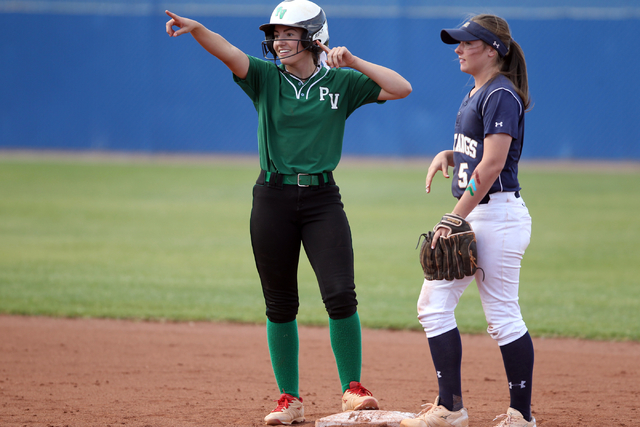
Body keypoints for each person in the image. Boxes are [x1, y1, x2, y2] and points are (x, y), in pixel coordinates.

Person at [165, 1, 412, 425]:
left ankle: (353, 389)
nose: (278, 40)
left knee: (339, 294)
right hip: (272, 198)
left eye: (288, 33)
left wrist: (352, 60)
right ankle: (290, 399)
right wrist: (198, 28)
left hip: (322, 200)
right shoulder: (264, 78)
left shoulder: (342, 82)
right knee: (280, 303)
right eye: (275, 34)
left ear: (314, 38)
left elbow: (401, 87)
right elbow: (227, 51)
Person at [400, 14, 535, 427]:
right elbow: (477, 153)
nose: (458, 49)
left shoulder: (501, 94)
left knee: (502, 317)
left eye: (467, 42)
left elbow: (493, 164)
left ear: (493, 50)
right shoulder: (476, 91)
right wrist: (451, 155)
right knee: (433, 306)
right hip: (477, 214)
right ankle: (451, 407)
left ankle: (521, 415)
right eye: (457, 43)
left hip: (496, 216)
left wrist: (452, 218)